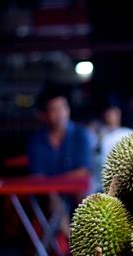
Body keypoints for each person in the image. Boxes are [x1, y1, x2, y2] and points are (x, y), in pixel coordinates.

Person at [27, 87, 93, 237]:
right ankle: (70, 242)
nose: (60, 114)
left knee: (82, 194)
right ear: (44, 115)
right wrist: (53, 185)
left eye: (63, 107)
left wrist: (52, 181)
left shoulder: (81, 135)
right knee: (52, 196)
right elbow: (37, 177)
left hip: (76, 190)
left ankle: (89, 238)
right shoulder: (36, 141)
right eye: (54, 109)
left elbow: (82, 172)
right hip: (49, 195)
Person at [92, 105, 133, 192]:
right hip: (102, 185)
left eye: (114, 113)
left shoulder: (128, 133)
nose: (112, 116)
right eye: (109, 113)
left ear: (119, 114)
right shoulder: (99, 136)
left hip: (124, 180)